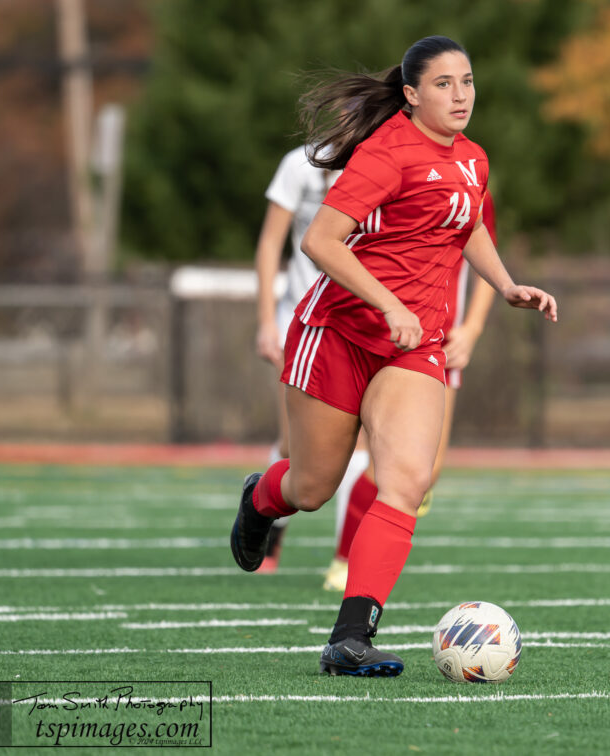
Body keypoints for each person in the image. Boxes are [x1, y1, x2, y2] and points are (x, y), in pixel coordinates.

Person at [230, 35, 557, 678]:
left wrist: (506, 284)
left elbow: (470, 227)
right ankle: (261, 500)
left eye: (467, 81)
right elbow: (320, 243)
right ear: (411, 95)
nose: (460, 95)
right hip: (339, 335)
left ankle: (350, 638)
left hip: (414, 346)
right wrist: (388, 304)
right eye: (444, 84)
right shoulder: (385, 155)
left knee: (406, 480)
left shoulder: (474, 160)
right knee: (314, 485)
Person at [323, 193, 498, 593]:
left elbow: (487, 256)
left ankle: (365, 553)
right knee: (377, 467)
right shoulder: (390, 173)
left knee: (425, 472)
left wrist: (471, 330)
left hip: (441, 338)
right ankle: (345, 560)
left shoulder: (473, 179)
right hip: (384, 334)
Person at [252, 144, 371, 573]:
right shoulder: (298, 165)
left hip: (359, 322)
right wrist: (267, 321)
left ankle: (346, 559)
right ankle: (267, 526)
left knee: (359, 439)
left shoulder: (387, 162)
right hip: (301, 320)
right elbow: (270, 244)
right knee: (294, 445)